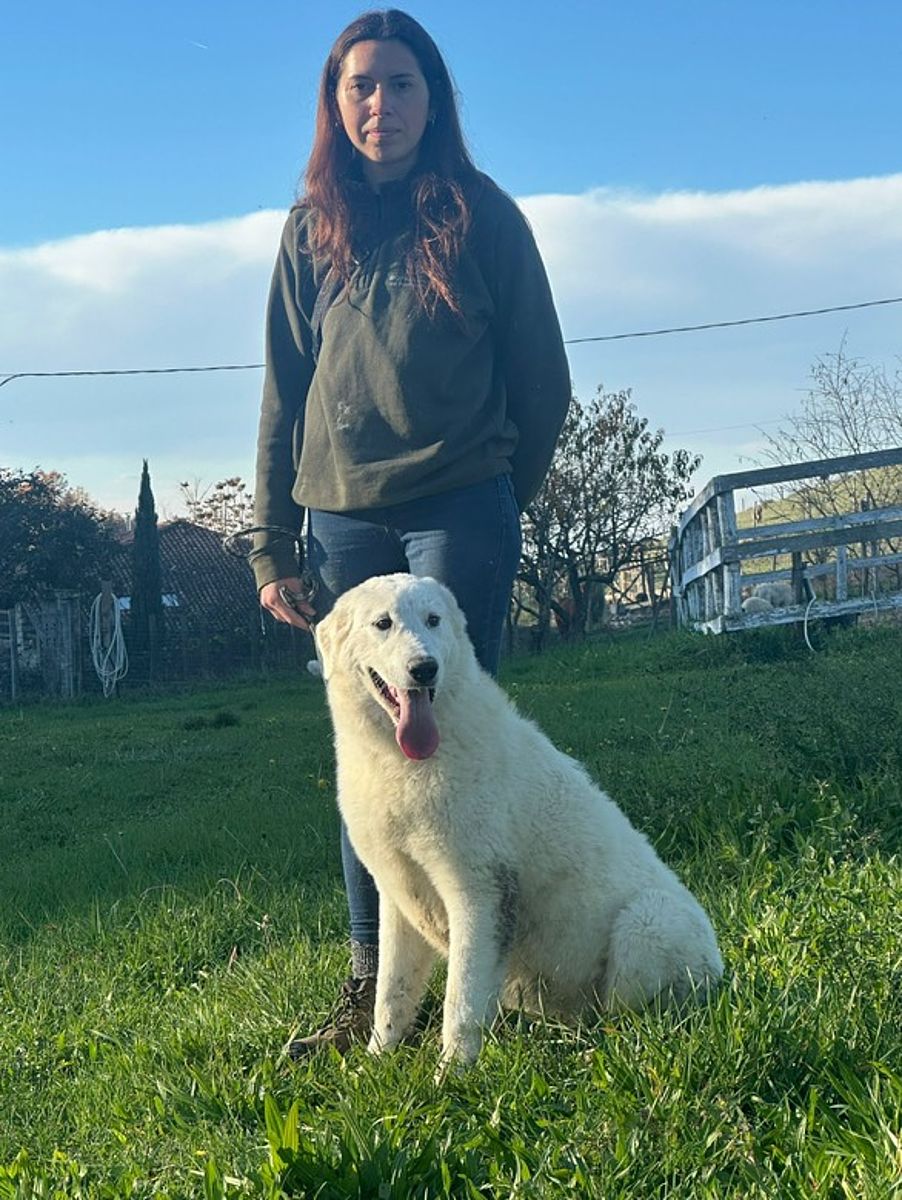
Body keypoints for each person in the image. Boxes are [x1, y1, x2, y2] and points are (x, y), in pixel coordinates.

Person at [250, 8, 570, 1057]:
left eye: (400, 84)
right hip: (339, 521)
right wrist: (271, 543)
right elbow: (283, 393)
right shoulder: (310, 230)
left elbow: (542, 380)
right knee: (372, 760)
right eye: (360, 85)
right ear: (334, 103)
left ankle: (492, 969)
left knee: (453, 750)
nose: (379, 104)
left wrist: (498, 495)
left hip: (458, 509)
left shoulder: (482, 217)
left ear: (433, 100)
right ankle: (372, 991)